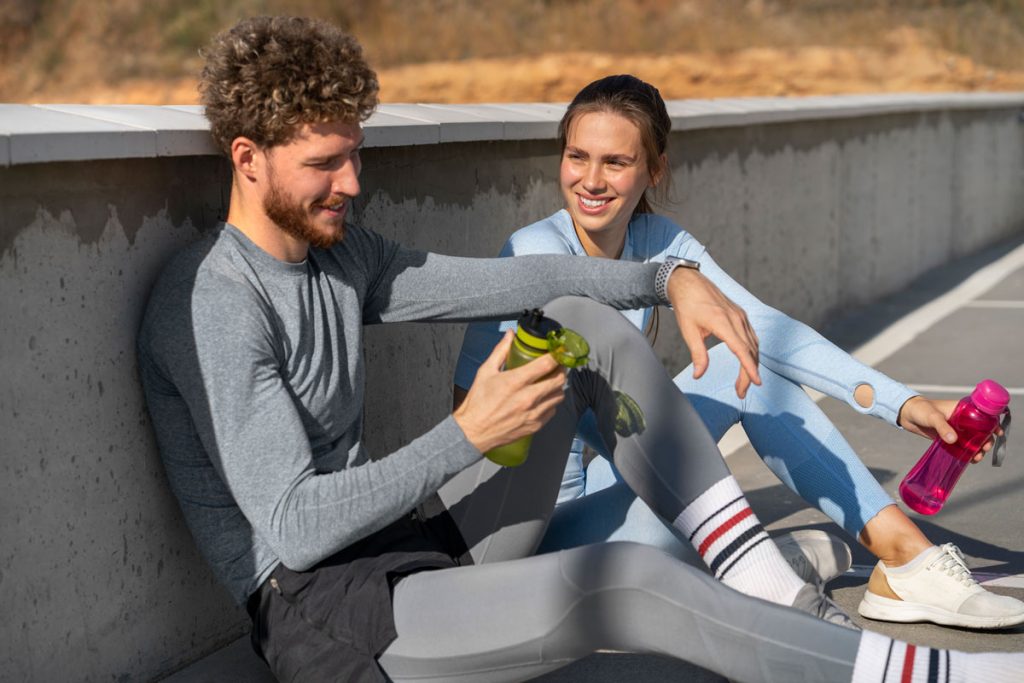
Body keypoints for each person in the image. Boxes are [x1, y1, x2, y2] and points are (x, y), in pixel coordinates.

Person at [137, 16, 1022, 683]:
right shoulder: (211, 299)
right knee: (631, 582)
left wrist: (662, 280)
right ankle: (946, 676)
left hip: (402, 545)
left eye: (355, 155)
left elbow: (508, 284)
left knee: (582, 324)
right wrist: (467, 434)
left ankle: (770, 586)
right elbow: (294, 527)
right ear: (247, 158)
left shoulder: (344, 256)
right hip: (328, 613)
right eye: (327, 162)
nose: (355, 183)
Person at [453, 73, 1024, 631]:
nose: (591, 180)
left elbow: (765, 330)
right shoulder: (532, 252)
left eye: (616, 162)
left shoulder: (657, 242)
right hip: (529, 540)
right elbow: (507, 445)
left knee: (745, 365)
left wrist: (907, 406)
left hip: (605, 502)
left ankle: (901, 557)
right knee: (694, 476)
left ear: (653, 170)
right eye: (577, 156)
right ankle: (768, 565)